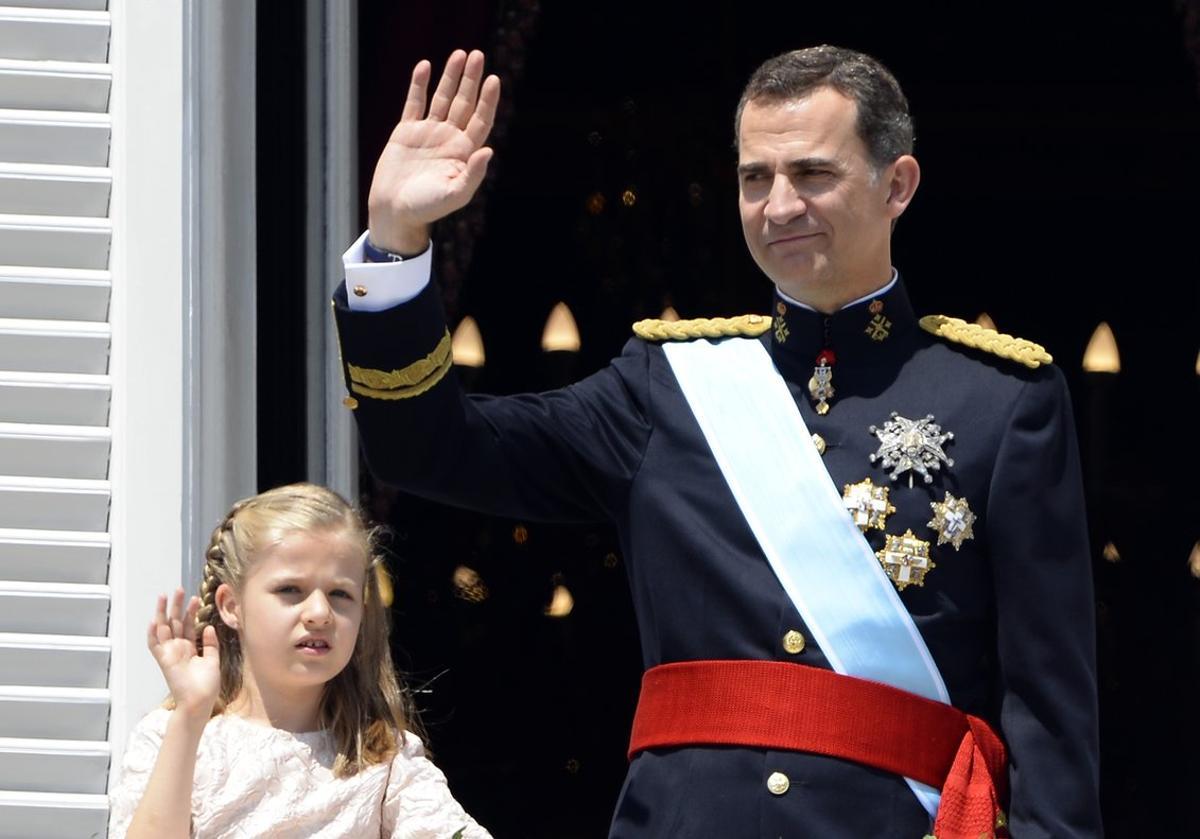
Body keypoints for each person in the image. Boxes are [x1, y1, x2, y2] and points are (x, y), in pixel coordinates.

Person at [331, 47, 1102, 837]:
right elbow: (426, 448)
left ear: (896, 185)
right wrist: (395, 241)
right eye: (754, 178)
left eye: (812, 174)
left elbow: (1050, 708)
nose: (779, 206)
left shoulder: (1002, 403)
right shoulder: (665, 386)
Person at [107, 483, 492, 839]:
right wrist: (191, 713)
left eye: (340, 594)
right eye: (291, 590)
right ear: (231, 605)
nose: (320, 613)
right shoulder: (174, 736)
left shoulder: (385, 758)